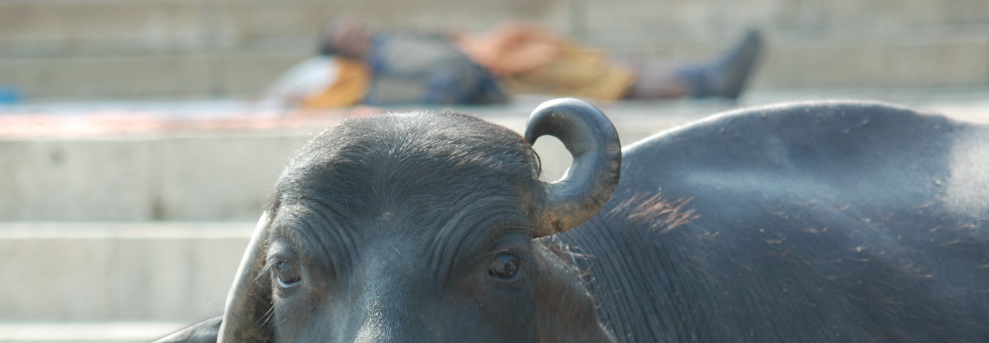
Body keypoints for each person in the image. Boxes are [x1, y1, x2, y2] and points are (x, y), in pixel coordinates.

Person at [264, 18, 764, 108]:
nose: (358, 29)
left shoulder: (391, 42)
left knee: (595, 63)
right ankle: (707, 80)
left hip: (490, 58)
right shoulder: (352, 72)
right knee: (600, 76)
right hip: (496, 72)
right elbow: (288, 94)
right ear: (337, 49)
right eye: (345, 33)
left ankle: (702, 75)